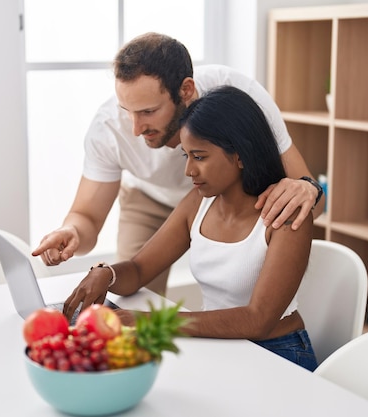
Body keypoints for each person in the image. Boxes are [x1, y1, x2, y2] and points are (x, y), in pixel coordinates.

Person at [32, 32, 324, 296]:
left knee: (246, 293)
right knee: (133, 296)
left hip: (228, 200)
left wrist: (307, 190)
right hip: (148, 197)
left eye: (148, 111)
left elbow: (312, 200)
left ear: (186, 90)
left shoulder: (240, 100)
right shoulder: (107, 128)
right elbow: (88, 218)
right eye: (127, 111)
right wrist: (71, 232)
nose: (135, 128)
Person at [62, 86, 318, 371]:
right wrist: (106, 274)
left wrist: (151, 321)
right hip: (219, 345)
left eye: (200, 156)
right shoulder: (198, 203)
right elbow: (138, 270)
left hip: (279, 354)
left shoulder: (286, 214)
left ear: (240, 155)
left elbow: (258, 320)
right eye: (187, 156)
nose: (189, 171)